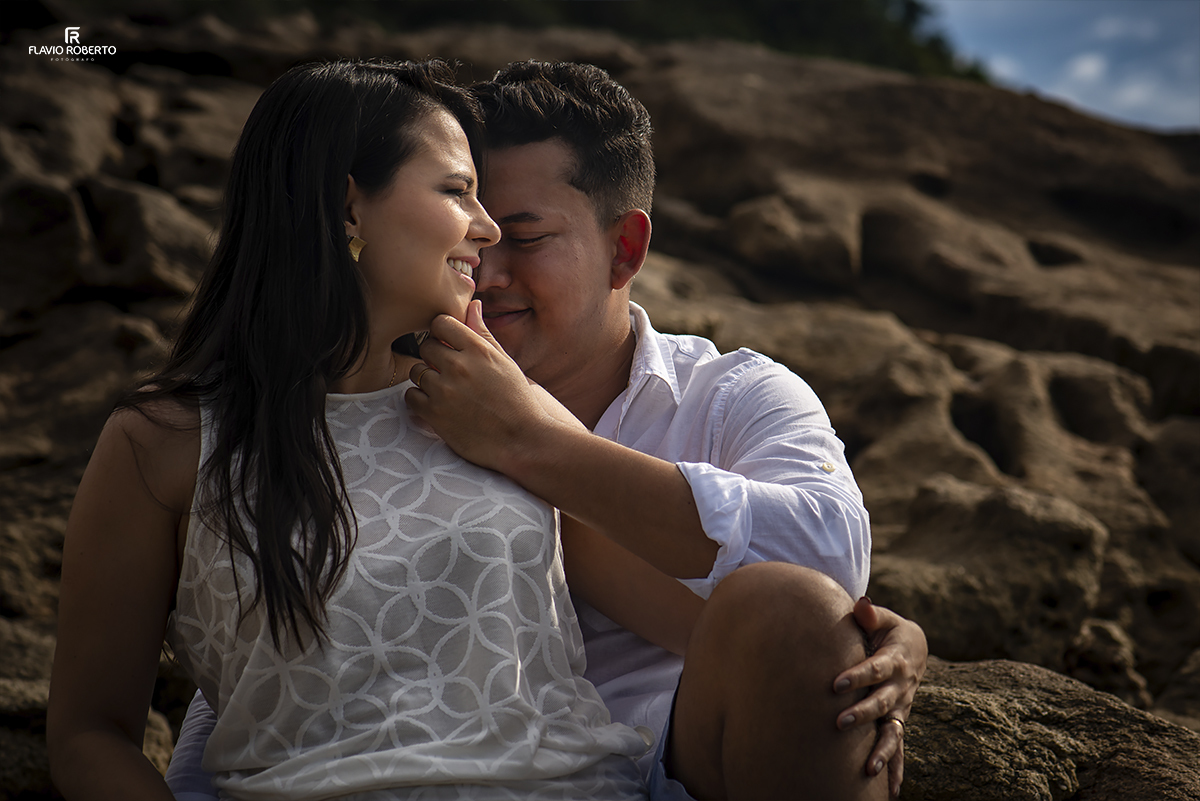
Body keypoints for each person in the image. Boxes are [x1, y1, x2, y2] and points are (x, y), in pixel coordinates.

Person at [167, 60, 928, 801]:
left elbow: (828, 560)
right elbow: (287, 638)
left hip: (677, 754)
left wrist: (538, 442)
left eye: (523, 238)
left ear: (625, 248)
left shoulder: (731, 395)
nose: (483, 260)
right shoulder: (373, 399)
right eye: (466, 217)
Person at [47, 59, 665, 800]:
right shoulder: (164, 442)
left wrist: (830, 631)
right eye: (455, 191)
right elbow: (89, 730)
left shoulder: (493, 404)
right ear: (349, 208)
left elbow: (680, 615)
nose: (488, 226)